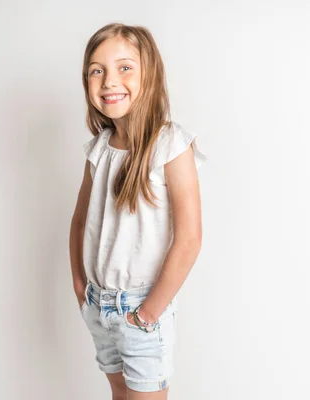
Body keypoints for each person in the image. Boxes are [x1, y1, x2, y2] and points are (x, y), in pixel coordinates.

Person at [69, 22, 207, 399]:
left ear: (150, 74)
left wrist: (147, 314)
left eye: (125, 67)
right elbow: (80, 222)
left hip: (142, 310)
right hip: (99, 306)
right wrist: (82, 289)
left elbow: (190, 239)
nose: (109, 80)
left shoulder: (171, 145)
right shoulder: (99, 149)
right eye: (97, 70)